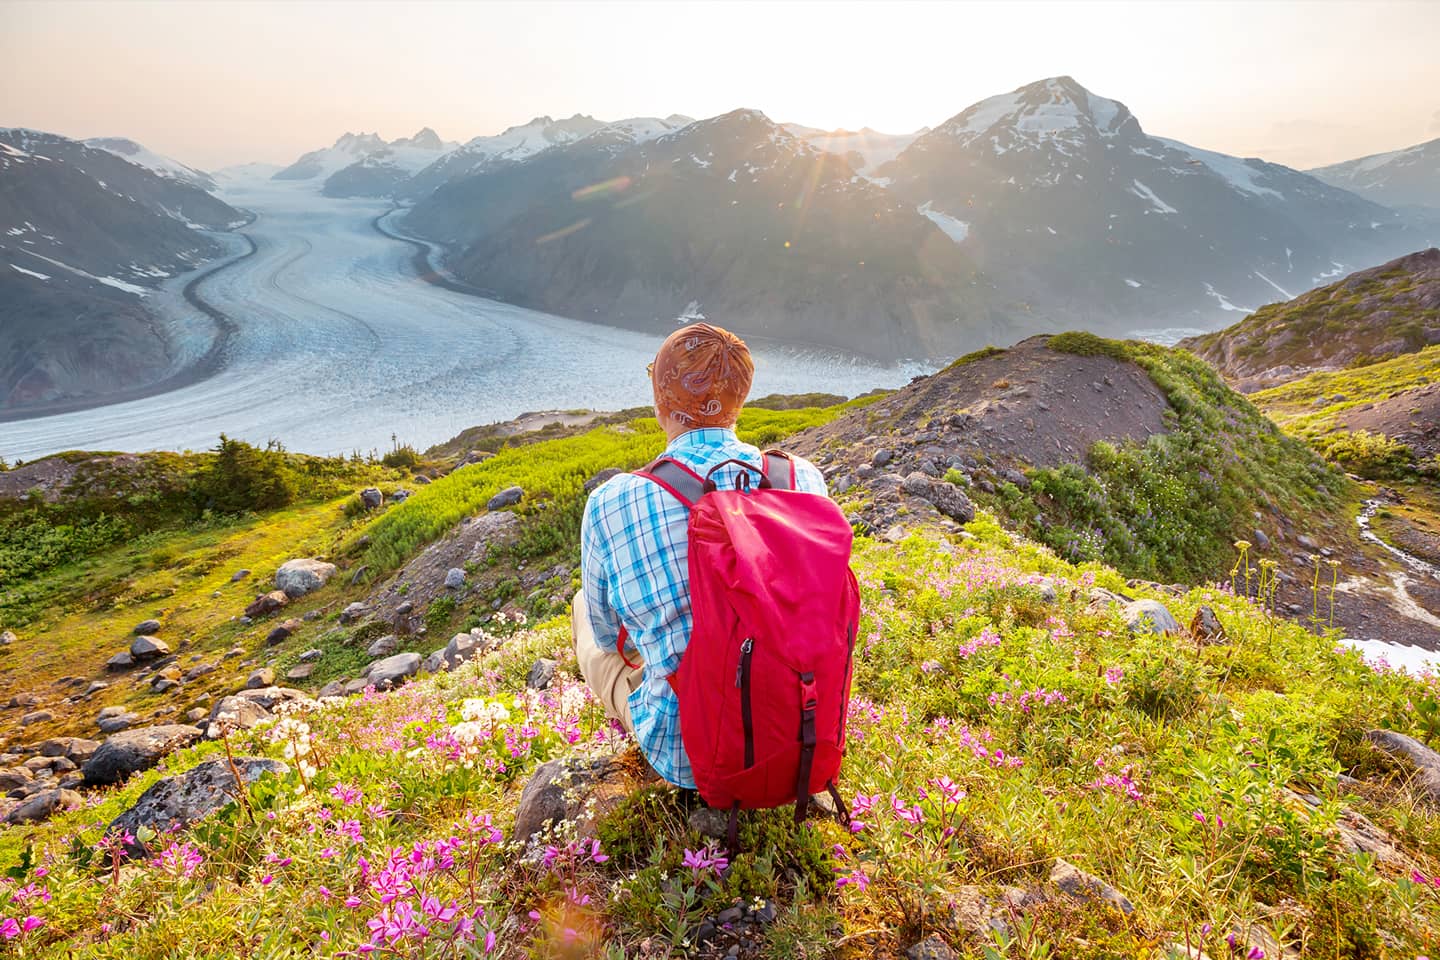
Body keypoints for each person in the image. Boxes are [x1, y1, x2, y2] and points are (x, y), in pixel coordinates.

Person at [572, 322, 831, 790]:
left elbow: (613, 640)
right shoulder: (803, 480)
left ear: (661, 399)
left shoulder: (612, 501)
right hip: (800, 733)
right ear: (742, 397)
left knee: (584, 616)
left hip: (688, 755)